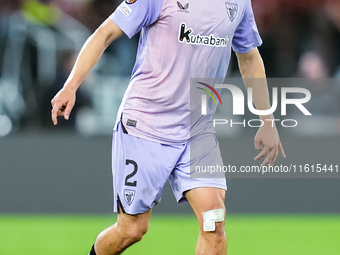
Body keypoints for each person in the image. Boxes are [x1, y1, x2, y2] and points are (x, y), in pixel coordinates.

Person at [51, 0, 285, 254]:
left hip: (198, 131)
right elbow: (105, 33)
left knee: (214, 227)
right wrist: (71, 85)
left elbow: (249, 58)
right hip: (145, 126)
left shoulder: (238, 2)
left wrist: (267, 120)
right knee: (132, 229)